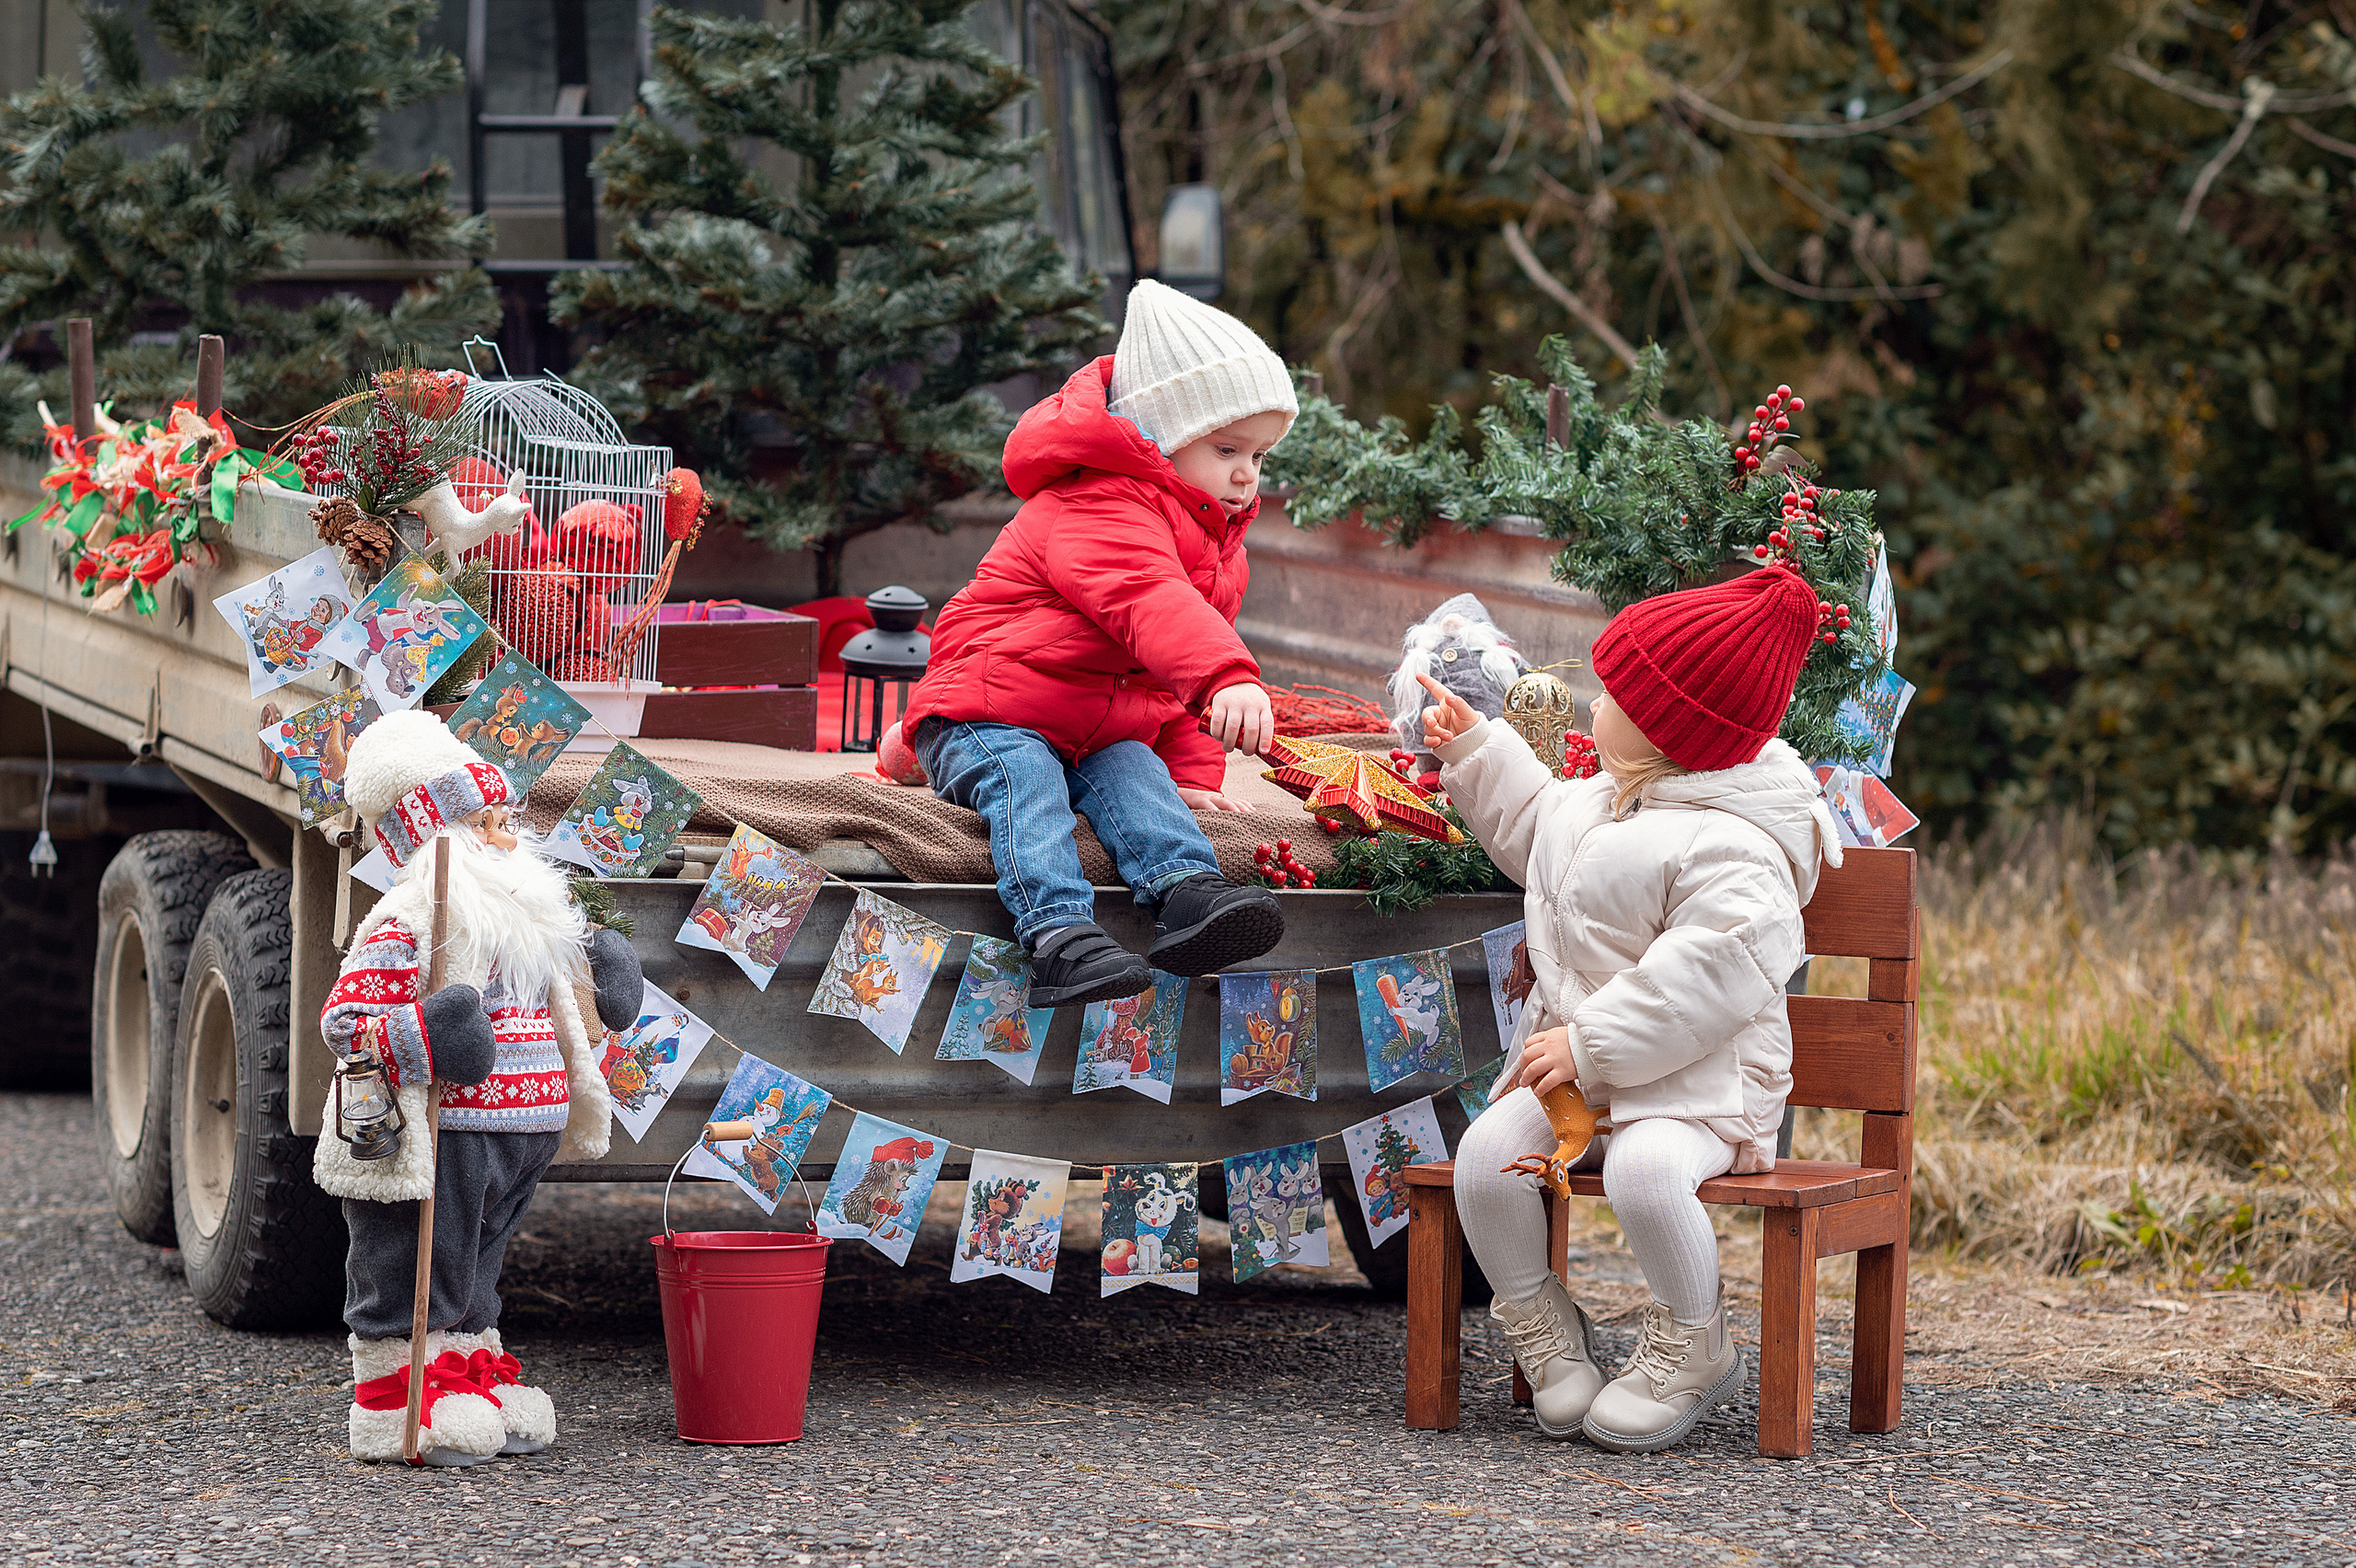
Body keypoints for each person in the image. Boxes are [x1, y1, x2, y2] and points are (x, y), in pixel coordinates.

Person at [1419, 564, 1843, 1453]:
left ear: (1667, 729)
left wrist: (1590, 1043)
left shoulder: (1739, 850)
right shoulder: (1601, 801)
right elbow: (1536, 829)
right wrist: (1478, 752)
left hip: (1702, 1087)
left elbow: (1707, 976)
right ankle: (1545, 1330)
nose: (1593, 704)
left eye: (1611, 694)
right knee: (1485, 1159)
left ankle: (1695, 1339)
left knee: (1645, 1173)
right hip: (1586, 1074)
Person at [902, 278, 1299, 1007]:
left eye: (1262, 455)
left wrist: (1195, 775)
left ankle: (1186, 893)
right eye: (1227, 447)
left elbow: (1161, 674)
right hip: (986, 714)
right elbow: (1155, 606)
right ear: (1159, 437)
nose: (1248, 473)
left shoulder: (1212, 539)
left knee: (1134, 770)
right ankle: (1058, 934)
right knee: (1028, 781)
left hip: (1089, 725)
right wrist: (1227, 677)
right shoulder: (1097, 502)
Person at [314, 709, 644, 1466]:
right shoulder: (411, 918)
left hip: (519, 1134)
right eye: (485, 823)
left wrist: (608, 990)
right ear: (438, 835)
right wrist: (425, 1036)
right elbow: (347, 1023)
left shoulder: (524, 917)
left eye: (505, 820)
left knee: (475, 1269)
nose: (506, 838)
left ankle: (468, 1374)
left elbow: (569, 1005)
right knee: (412, 1264)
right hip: (445, 1132)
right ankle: (392, 1405)